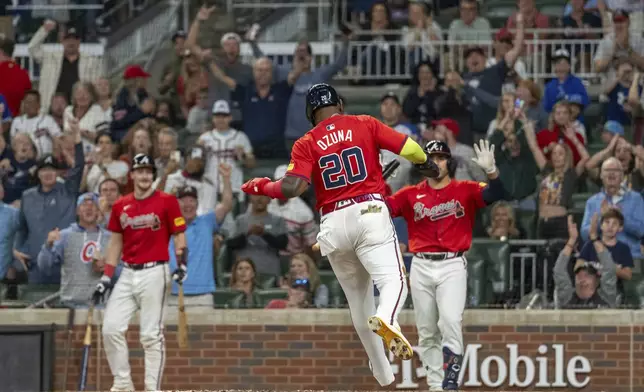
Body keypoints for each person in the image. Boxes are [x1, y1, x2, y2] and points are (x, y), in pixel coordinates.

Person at [241, 83, 440, 387]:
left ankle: (383, 372)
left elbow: (292, 188)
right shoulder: (365, 123)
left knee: (359, 304)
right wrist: (426, 163)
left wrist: (262, 186)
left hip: (332, 223)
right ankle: (388, 317)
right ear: (340, 104)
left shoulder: (306, 141)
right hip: (369, 213)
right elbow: (409, 148)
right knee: (393, 281)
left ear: (311, 114)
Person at [385, 139, 505, 390]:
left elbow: (496, 194)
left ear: (449, 162)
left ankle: (451, 381)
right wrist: (377, 182)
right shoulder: (410, 194)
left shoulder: (466, 189)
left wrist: (492, 171)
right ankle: (436, 385)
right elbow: (382, 208)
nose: (436, 162)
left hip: (452, 264)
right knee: (427, 330)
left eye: (440, 158)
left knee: (450, 321)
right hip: (421, 264)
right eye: (431, 158)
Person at [93, 153, 188, 391]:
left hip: (156, 270)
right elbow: (115, 243)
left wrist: (181, 262)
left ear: (153, 175)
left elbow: (179, 235)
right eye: (140, 171)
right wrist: (106, 276)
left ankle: (151, 388)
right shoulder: (120, 205)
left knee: (150, 335)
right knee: (111, 328)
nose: (144, 176)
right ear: (132, 175)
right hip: (127, 271)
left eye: (148, 171)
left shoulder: (167, 201)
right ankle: (123, 383)